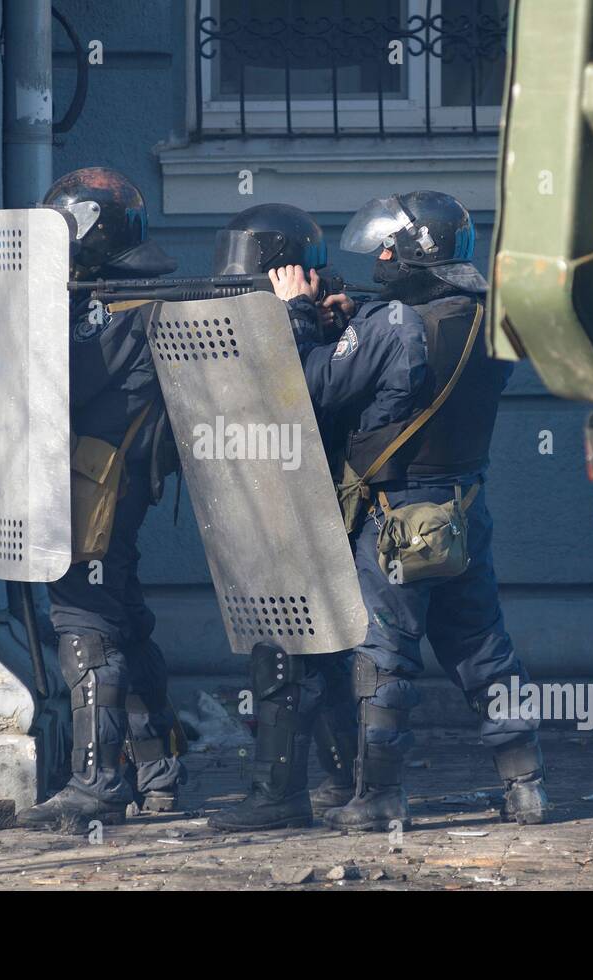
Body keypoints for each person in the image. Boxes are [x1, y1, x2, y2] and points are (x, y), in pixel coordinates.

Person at [269, 191, 550, 831]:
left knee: (384, 655)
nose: (383, 258)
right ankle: (527, 787)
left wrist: (298, 314)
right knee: (483, 647)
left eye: (391, 250)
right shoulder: (491, 321)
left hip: (395, 517)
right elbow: (427, 331)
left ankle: (380, 798)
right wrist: (361, 312)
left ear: (416, 254)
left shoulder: (391, 326)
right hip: (462, 512)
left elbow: (313, 384)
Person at [21, 167, 186, 832]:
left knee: (84, 625)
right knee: (125, 620)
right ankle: (161, 772)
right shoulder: (125, 295)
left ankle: (97, 781)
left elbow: (57, 381)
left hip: (99, 490)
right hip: (111, 486)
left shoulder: (113, 309)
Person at [203, 204, 359, 832]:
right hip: (271, 507)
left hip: (303, 512)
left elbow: (288, 394)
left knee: (285, 655)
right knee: (316, 654)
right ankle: (347, 778)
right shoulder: (277, 323)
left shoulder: (321, 327)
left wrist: (305, 317)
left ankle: (279, 795)